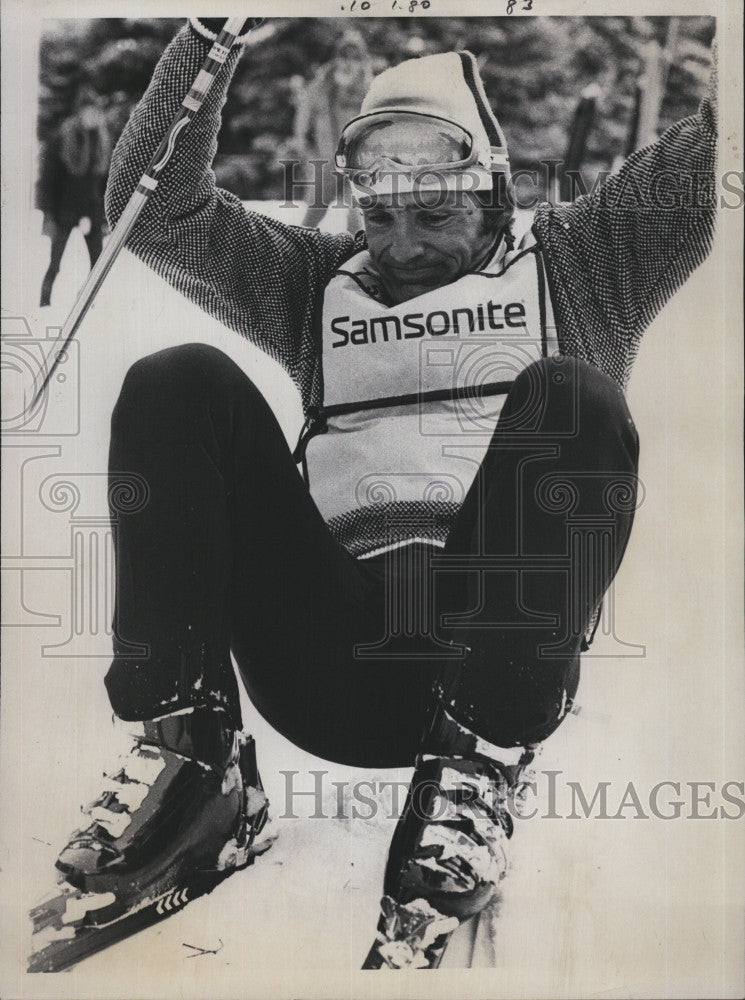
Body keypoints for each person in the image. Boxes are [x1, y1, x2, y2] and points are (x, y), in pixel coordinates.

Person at [51, 17, 716, 968]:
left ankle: (475, 782)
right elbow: (155, 213)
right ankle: (191, 764)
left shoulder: (585, 261)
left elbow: (717, 142)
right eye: (379, 215)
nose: (401, 247)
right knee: (176, 379)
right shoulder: (317, 282)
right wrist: (209, 38)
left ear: (492, 189)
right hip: (325, 660)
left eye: (435, 215)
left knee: (570, 397)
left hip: (487, 661)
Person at [287, 28, 373, 231]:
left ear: (361, 61)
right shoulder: (323, 83)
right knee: (315, 210)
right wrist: (300, 136)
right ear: (337, 58)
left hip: (357, 160)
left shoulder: (368, 85)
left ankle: (356, 252)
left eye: (355, 58)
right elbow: (305, 110)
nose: (348, 62)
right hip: (327, 158)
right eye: (344, 56)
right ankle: (301, 246)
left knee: (356, 210)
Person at [37, 85, 113, 307]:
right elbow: (48, 180)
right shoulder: (64, 136)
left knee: (98, 263)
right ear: (79, 113)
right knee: (55, 263)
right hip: (65, 209)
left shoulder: (102, 138)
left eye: (95, 112)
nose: (92, 117)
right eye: (87, 111)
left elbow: (106, 180)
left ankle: (91, 304)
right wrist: (48, 214)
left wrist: (106, 215)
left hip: (92, 208)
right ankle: (43, 304)